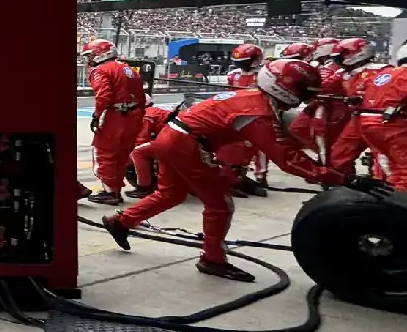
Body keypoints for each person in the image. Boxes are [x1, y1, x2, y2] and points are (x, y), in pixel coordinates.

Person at [103, 59, 348, 282]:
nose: (305, 99)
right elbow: (287, 160)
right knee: (220, 204)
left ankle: (121, 222)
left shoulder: (252, 98)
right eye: (304, 92)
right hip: (187, 143)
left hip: (174, 137)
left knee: (171, 194)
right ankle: (212, 260)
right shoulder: (258, 113)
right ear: (286, 88)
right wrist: (340, 178)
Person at [84, 38, 148, 205]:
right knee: (122, 155)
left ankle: (110, 192)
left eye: (90, 54)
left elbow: (103, 96)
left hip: (116, 117)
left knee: (104, 152)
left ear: (100, 53)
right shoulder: (128, 69)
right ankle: (115, 189)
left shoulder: (101, 70)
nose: (89, 59)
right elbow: (142, 96)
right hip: (134, 117)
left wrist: (97, 116)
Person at [219, 43, 268, 189]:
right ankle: (236, 172)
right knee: (235, 145)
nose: (242, 65)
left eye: (245, 62)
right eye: (240, 62)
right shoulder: (233, 75)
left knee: (261, 146)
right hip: (236, 114)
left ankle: (261, 175)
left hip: (257, 114)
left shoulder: (264, 75)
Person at [359, 45, 407, 190]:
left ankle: (384, 198)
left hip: (367, 124)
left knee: (387, 167)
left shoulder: (384, 73)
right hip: (392, 127)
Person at [326, 38, 377, 172]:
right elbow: (325, 86)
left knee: (383, 158)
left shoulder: (380, 71)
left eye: (342, 55)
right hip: (356, 119)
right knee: (338, 155)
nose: (338, 59)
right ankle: (347, 183)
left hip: (379, 120)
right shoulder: (343, 74)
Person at [127, 103, 176, 197]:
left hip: (170, 141)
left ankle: (144, 187)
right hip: (173, 138)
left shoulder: (145, 116)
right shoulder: (154, 111)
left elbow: (141, 140)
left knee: (137, 152)